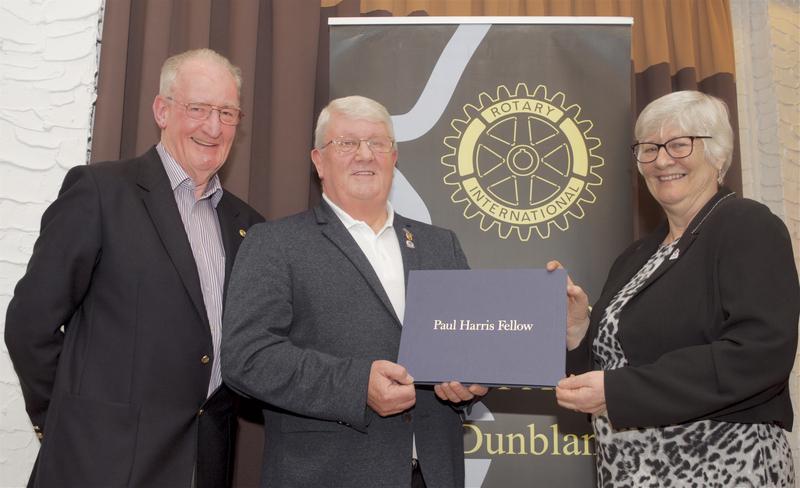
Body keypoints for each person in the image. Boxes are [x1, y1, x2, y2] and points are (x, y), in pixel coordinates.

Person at [5, 48, 264, 488]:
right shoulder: (100, 193)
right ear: (162, 110)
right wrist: (73, 423)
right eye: (198, 109)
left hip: (204, 467)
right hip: (97, 465)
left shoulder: (249, 227)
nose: (213, 126)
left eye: (227, 112)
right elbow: (30, 325)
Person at [221, 95, 487, 488]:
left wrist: (472, 383)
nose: (365, 154)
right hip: (327, 475)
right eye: (346, 143)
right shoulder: (275, 243)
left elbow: (468, 348)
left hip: (433, 476)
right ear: (318, 160)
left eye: (378, 143)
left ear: (393, 158)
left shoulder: (439, 245)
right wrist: (356, 385)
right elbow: (247, 358)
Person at [551, 90, 798, 486]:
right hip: (630, 472)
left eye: (679, 144)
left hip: (724, 468)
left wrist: (621, 391)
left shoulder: (747, 225)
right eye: (649, 149)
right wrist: (579, 329)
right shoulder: (634, 257)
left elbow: (759, 354)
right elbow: (608, 373)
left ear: (717, 154)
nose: (662, 160)